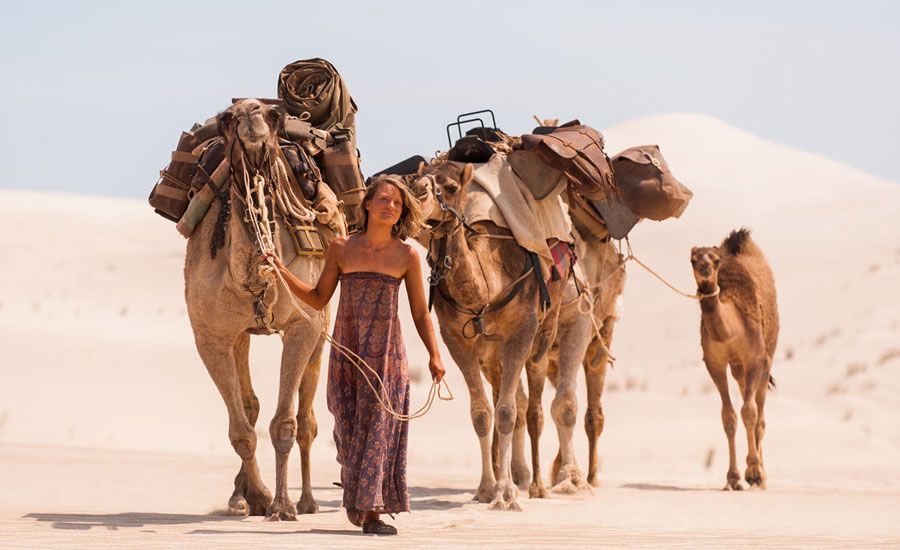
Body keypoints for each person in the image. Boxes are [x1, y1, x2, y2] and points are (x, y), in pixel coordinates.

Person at [265, 174, 445, 535]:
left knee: (380, 427)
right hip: (347, 352)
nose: (391, 206)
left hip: (386, 357)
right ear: (367, 204)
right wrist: (283, 272)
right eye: (384, 200)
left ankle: (372, 511)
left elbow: (421, 312)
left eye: (397, 203)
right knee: (348, 431)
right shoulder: (341, 248)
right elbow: (318, 298)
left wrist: (434, 355)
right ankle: (357, 498)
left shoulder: (407, 256)